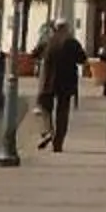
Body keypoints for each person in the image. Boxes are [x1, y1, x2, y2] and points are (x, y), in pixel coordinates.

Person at [34, 21, 87, 152]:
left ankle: (48, 131)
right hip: (67, 82)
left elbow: (34, 54)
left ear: (55, 28)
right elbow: (82, 59)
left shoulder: (48, 41)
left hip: (48, 81)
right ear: (66, 29)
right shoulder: (72, 43)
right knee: (63, 112)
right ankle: (58, 143)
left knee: (44, 107)